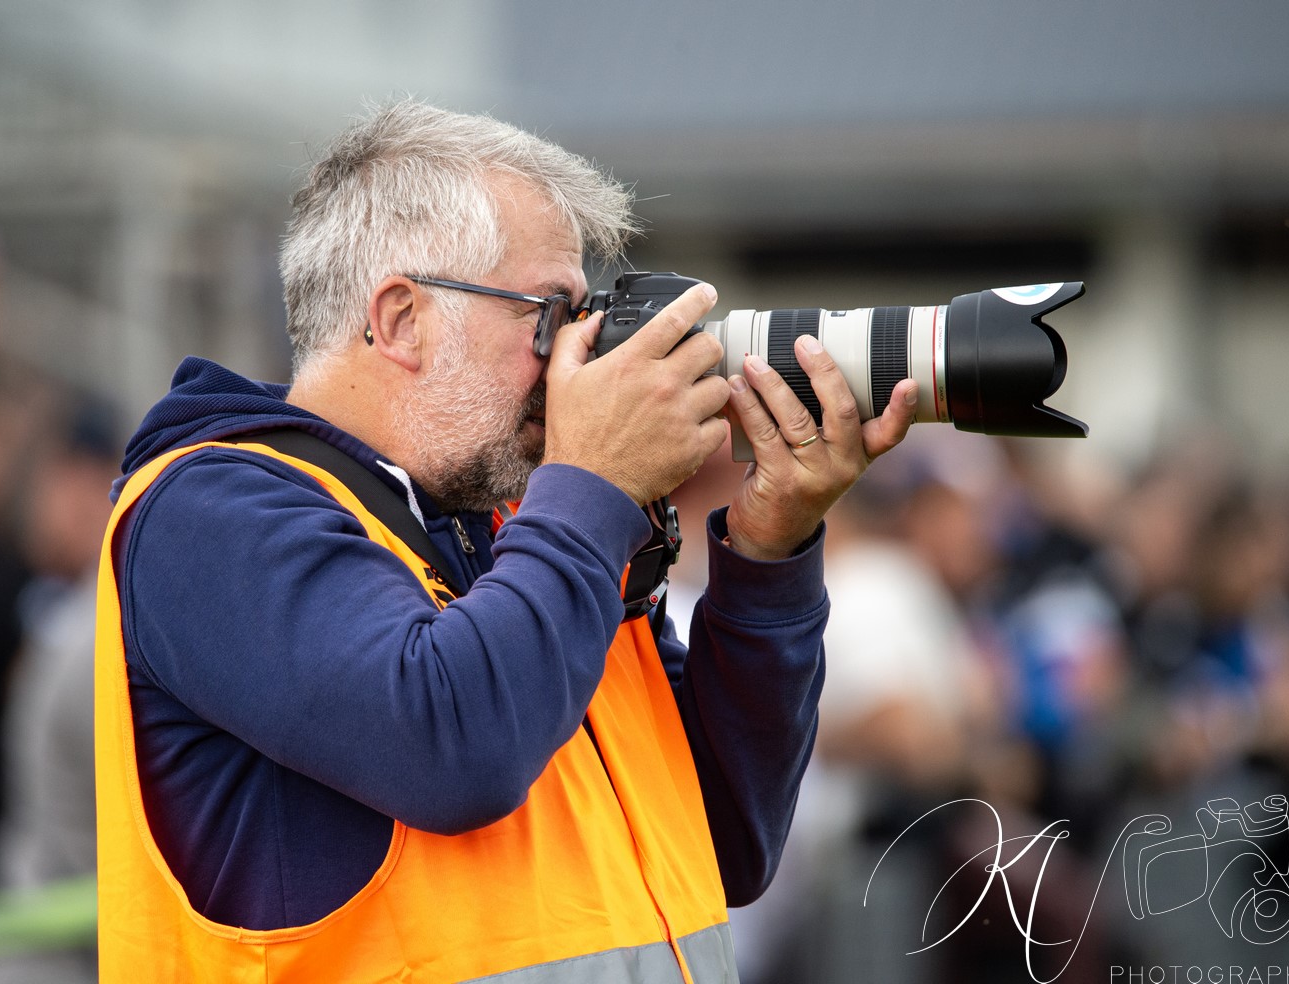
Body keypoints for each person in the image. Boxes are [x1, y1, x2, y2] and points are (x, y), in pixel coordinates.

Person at [94, 99, 919, 984]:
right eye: (545, 316)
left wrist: (767, 554)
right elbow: (454, 747)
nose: (577, 355)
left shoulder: (524, 534)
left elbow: (726, 839)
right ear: (402, 318)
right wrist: (594, 485)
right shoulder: (206, 512)